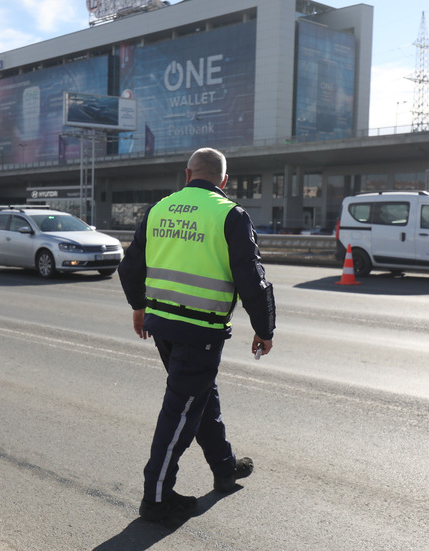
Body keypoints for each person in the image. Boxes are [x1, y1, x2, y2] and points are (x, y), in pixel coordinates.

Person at [118, 147, 276, 525]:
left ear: (187, 174)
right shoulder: (230, 214)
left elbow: (129, 268)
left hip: (162, 327)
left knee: (198, 397)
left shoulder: (159, 209)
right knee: (180, 410)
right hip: (200, 331)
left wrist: (139, 307)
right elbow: (252, 281)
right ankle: (155, 498)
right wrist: (264, 328)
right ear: (224, 181)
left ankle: (224, 468)